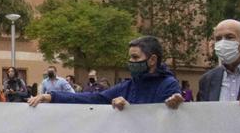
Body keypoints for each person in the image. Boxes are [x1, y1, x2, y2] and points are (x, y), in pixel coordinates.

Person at [29, 37, 180, 108]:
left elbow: (163, 121)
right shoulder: (127, 86)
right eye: (130, 57)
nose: (130, 62)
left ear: (152, 60)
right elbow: (93, 98)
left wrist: (131, 111)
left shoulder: (168, 86)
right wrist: (52, 96)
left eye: (135, 57)